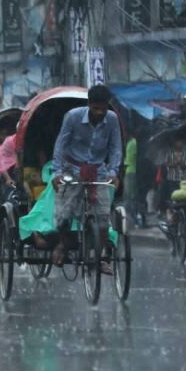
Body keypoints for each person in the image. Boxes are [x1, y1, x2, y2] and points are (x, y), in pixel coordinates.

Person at [50, 84, 122, 266]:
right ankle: (63, 244)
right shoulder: (73, 117)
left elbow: (115, 148)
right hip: (72, 169)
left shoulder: (112, 119)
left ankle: (102, 255)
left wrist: (114, 172)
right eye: (96, 108)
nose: (99, 113)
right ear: (89, 104)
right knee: (63, 215)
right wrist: (57, 172)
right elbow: (61, 144)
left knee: (104, 215)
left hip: (98, 171)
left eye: (103, 109)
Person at [124, 134, 138, 225]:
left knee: (130, 195)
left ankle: (134, 217)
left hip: (131, 171)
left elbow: (132, 157)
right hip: (128, 170)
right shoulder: (129, 143)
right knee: (128, 195)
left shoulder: (133, 143)